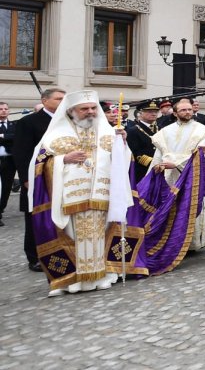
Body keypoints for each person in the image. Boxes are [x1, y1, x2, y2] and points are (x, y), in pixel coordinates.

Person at [26, 90, 134, 296]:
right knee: (71, 236)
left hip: (102, 195)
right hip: (69, 197)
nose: (90, 112)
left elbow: (124, 163)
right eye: (84, 109)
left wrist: (123, 144)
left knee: (100, 236)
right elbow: (39, 164)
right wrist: (62, 159)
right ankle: (72, 279)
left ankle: (101, 275)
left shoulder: (108, 132)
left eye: (93, 108)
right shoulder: (56, 134)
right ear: (71, 111)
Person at [147, 96, 205, 257]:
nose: (187, 112)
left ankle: (191, 244)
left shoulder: (201, 130)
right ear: (175, 113)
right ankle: (170, 240)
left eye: (190, 109)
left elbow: (200, 154)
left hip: (192, 175)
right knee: (171, 208)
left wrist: (176, 163)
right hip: (170, 176)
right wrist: (155, 168)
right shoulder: (165, 131)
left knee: (190, 206)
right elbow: (159, 153)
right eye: (183, 110)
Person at [14, 87, 64, 272]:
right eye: (58, 99)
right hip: (37, 177)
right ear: (45, 101)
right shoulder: (29, 122)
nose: (62, 102)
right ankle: (34, 257)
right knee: (35, 217)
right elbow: (22, 152)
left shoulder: (67, 121)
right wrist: (27, 179)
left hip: (62, 176)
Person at [126, 101, 160, 182]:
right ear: (140, 113)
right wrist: (153, 163)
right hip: (143, 169)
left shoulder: (160, 129)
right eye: (149, 111)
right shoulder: (133, 131)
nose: (154, 114)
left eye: (155, 111)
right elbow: (135, 153)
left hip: (160, 168)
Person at [0, 101, 15, 225]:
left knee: (6, 187)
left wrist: (2, 136)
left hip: (9, 162)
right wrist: (7, 138)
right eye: (1, 109)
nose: (4, 111)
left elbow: (15, 137)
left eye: (6, 109)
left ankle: (1, 208)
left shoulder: (14, 125)